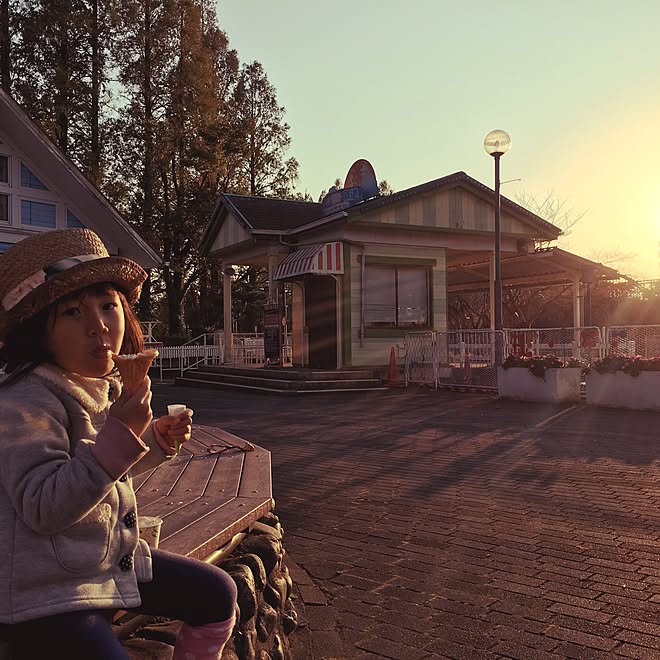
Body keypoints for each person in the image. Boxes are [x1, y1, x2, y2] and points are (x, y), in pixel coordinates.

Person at [0, 229, 237, 659]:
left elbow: (90, 470)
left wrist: (150, 441)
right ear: (38, 330)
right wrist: (120, 435)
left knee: (218, 594)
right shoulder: (23, 401)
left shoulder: (94, 386)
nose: (98, 326)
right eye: (72, 312)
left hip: (105, 560)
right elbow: (43, 505)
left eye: (108, 305)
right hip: (43, 592)